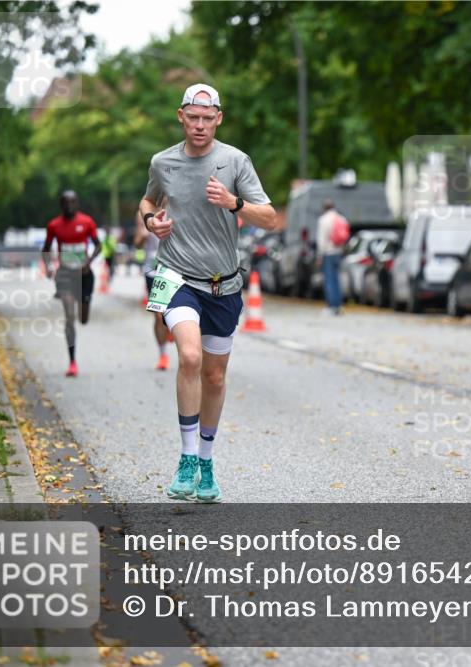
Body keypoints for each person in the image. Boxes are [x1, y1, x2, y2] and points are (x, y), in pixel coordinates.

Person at [139, 83, 279, 503]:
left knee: (215, 376)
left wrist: (234, 204)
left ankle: (205, 461)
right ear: (181, 116)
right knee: (192, 357)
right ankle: (184, 459)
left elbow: (269, 218)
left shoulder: (235, 161)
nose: (199, 126)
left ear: (218, 119)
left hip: (224, 283)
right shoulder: (163, 162)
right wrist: (152, 224)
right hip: (176, 275)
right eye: (192, 118)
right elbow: (147, 202)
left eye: (207, 118)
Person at [41, 191, 101, 377]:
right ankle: (72, 361)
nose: (69, 206)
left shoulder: (86, 222)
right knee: (69, 317)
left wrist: (88, 261)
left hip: (84, 274)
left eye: (72, 202)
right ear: (61, 205)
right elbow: (46, 249)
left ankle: (85, 304)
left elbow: (98, 245)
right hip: (65, 275)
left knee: (83, 319)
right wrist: (49, 266)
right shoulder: (54, 225)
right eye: (65, 203)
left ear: (77, 203)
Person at [133, 208, 171, 371]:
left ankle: (172, 327)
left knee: (177, 310)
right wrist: (142, 236)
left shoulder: (179, 202)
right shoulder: (144, 211)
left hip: (176, 266)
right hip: (154, 269)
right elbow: (137, 244)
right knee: (159, 314)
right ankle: (163, 354)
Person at [316, 199, 346, 315]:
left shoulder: (323, 220)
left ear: (324, 207)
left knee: (329, 280)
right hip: (338, 252)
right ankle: (339, 305)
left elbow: (321, 240)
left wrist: (319, 256)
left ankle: (331, 306)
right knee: (337, 280)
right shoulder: (341, 218)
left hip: (328, 253)